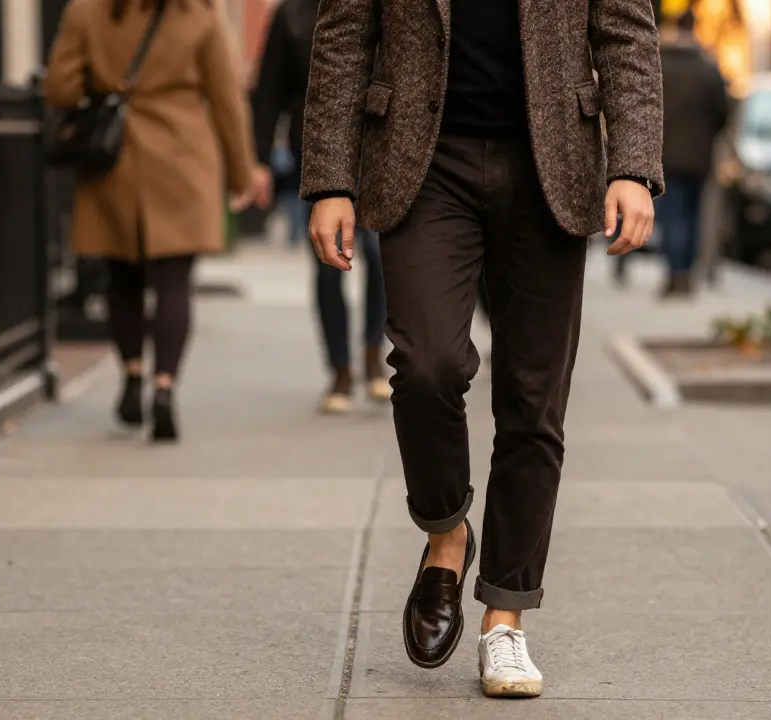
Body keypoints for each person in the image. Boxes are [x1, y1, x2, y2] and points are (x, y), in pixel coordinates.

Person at [301, 0, 664, 697]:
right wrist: (330, 179)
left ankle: (506, 620)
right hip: (421, 159)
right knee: (426, 363)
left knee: (534, 399)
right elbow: (344, 33)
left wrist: (633, 165)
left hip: (550, 160)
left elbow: (625, 30)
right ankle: (446, 533)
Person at [44, 0, 268, 441]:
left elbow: (59, 87)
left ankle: (131, 375)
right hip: (182, 156)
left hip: (115, 162)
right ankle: (164, 388)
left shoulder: (87, 10)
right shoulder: (199, 12)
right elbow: (226, 97)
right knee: (173, 281)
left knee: (121, 275)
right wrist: (242, 172)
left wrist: (106, 81)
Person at [250, 0, 390, 413]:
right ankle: (340, 369)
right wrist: (259, 160)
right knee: (329, 266)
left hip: (379, 150)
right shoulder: (292, 14)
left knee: (379, 257)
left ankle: (372, 354)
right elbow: (267, 92)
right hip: (317, 154)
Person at [652, 10, 728, 298]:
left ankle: (675, 272)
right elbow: (723, 112)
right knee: (693, 215)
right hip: (699, 156)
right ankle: (686, 272)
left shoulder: (661, 66)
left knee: (671, 215)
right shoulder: (708, 69)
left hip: (666, 155)